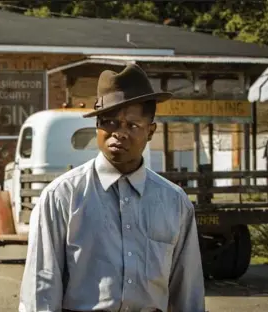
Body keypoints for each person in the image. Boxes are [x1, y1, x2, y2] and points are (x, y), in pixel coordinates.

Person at [18, 64, 205, 312]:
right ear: (97, 126)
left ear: (151, 131)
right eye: (110, 123)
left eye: (132, 125)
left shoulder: (174, 202)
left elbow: (188, 291)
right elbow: (40, 291)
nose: (119, 133)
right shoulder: (61, 197)